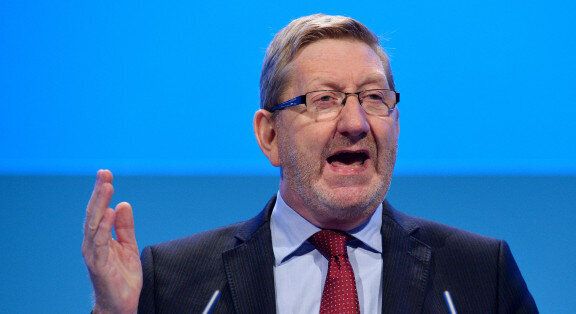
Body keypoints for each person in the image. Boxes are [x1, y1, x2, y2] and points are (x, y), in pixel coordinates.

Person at [82, 14, 538, 313]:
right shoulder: (176, 280)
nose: (356, 123)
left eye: (375, 98)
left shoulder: (480, 273)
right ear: (270, 135)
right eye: (325, 100)